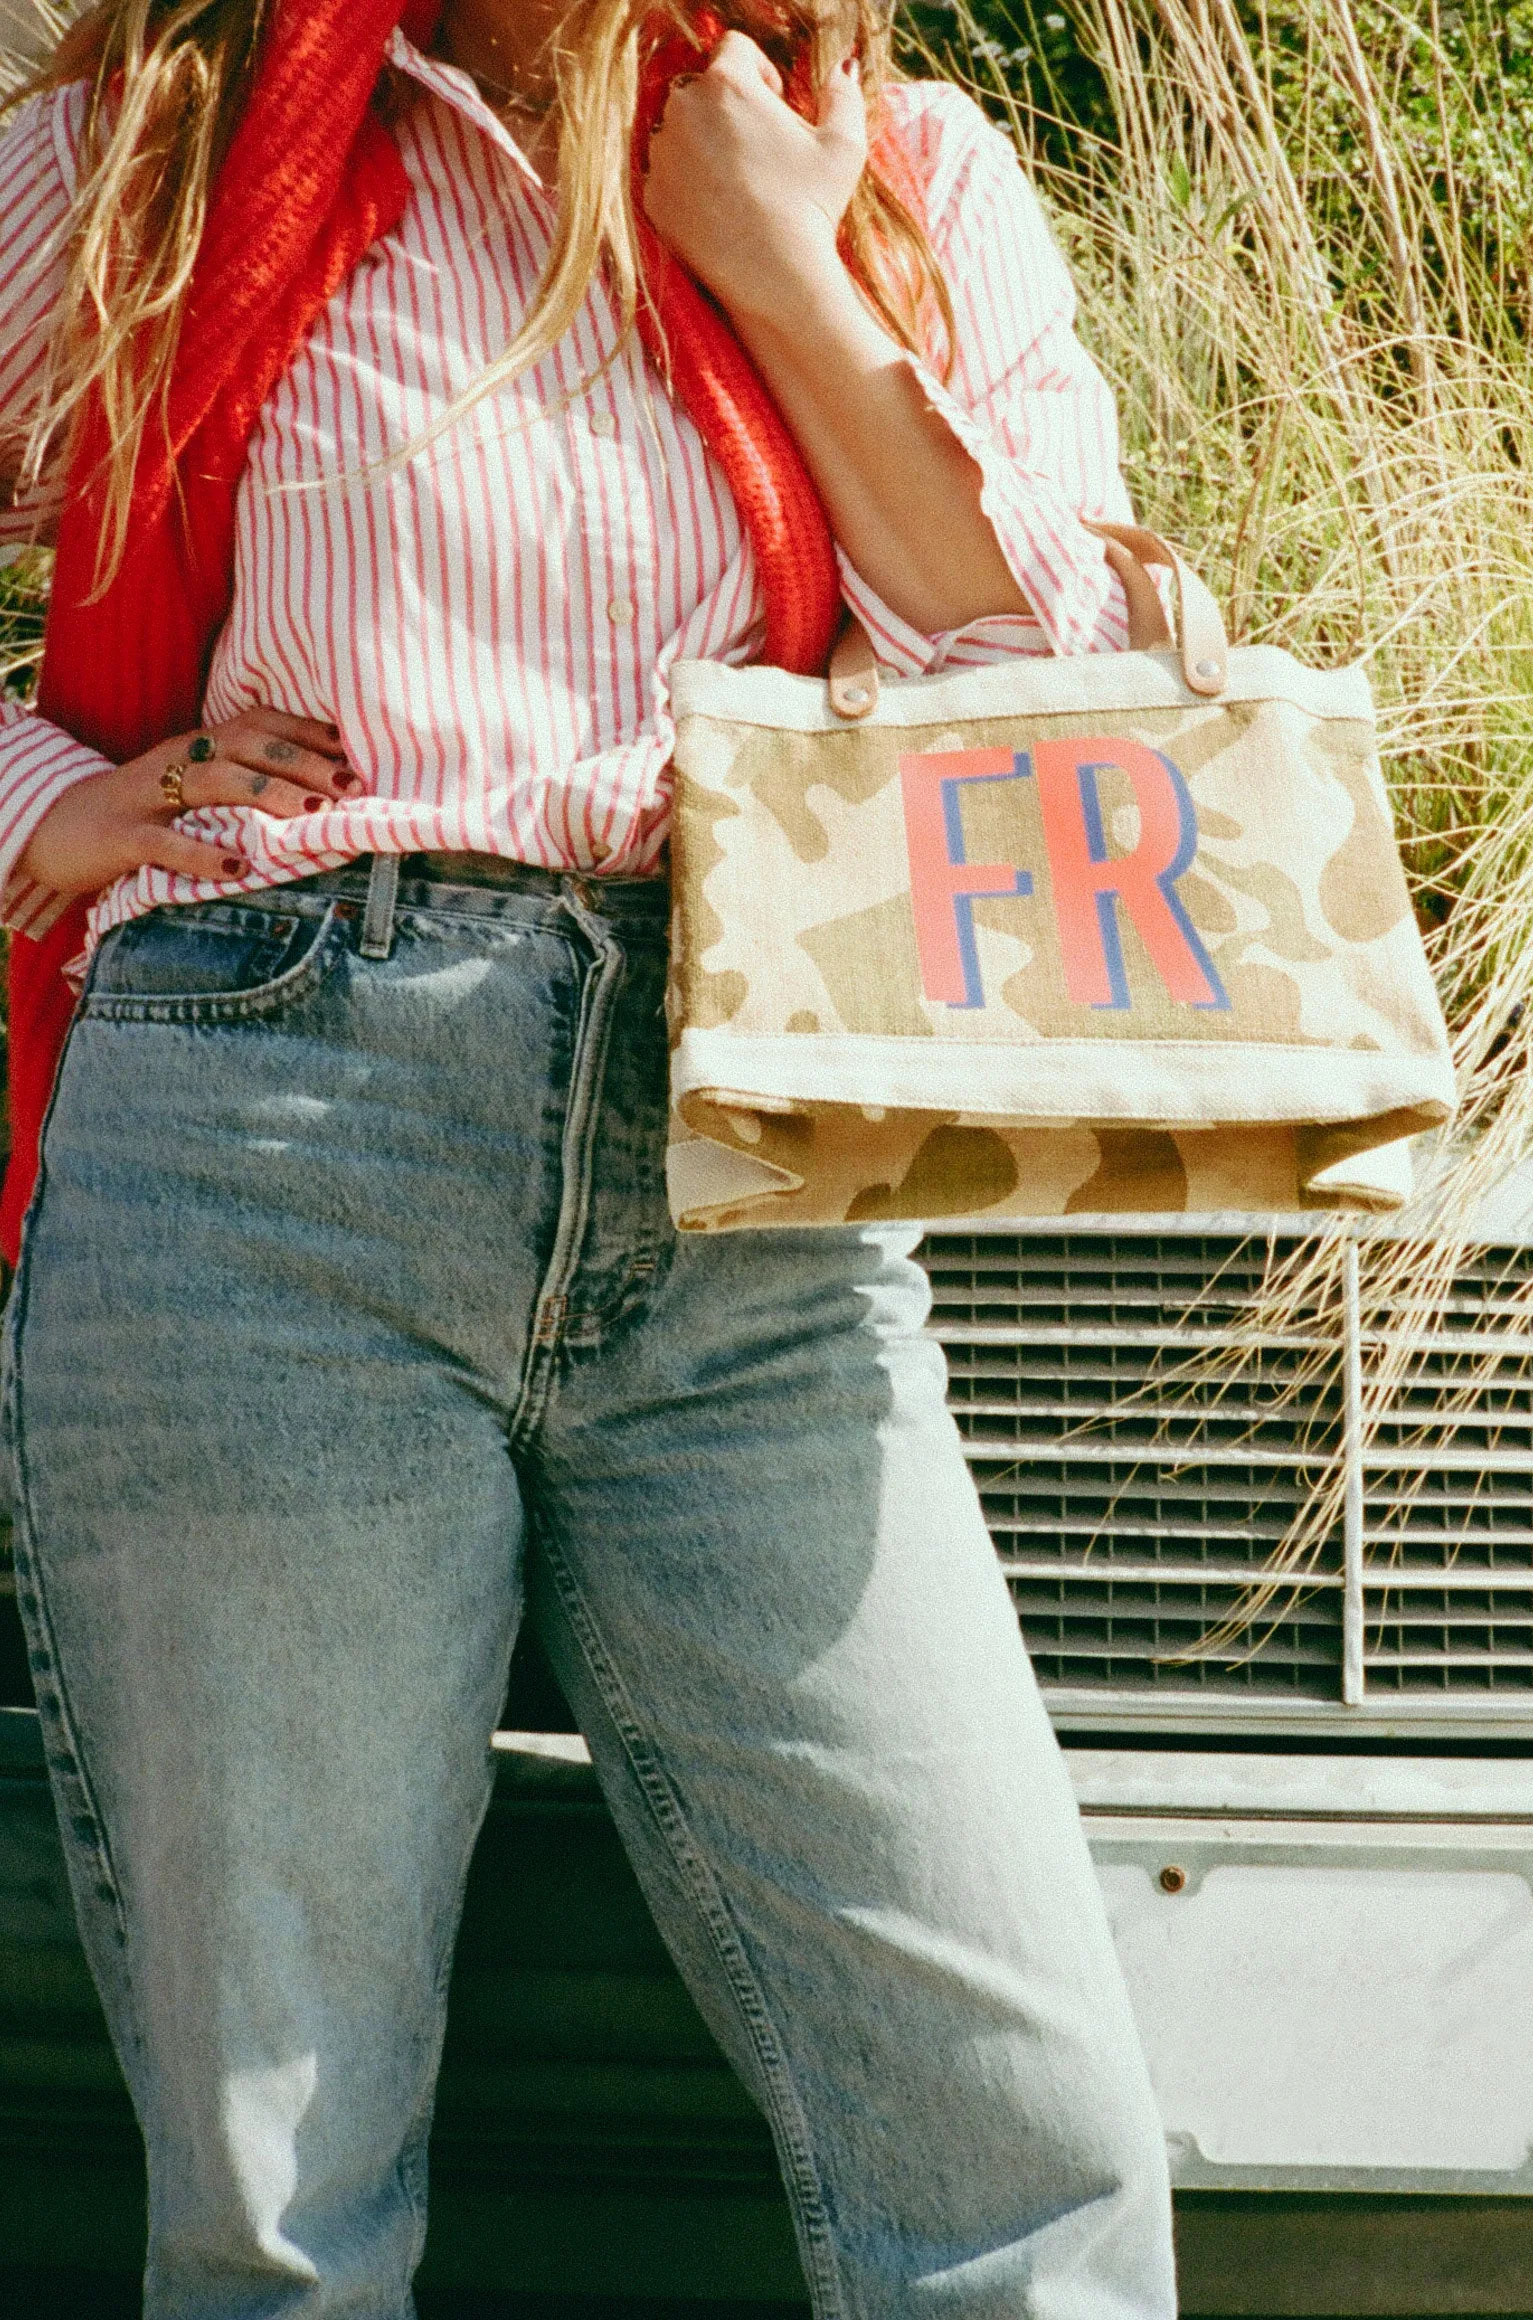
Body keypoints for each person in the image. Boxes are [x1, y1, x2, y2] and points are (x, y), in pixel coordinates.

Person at [0, 2, 1177, 2314]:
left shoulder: (885, 162)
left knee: (1022, 2146)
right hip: (267, 1135)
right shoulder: (156, 152)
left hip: (748, 1181)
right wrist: (47, 803)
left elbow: (1053, 684)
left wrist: (784, 272)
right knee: (283, 2211)